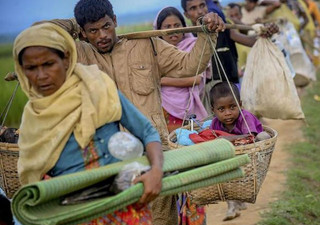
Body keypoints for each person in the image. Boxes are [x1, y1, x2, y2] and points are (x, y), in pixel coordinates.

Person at [40, 0, 225, 224]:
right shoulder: (77, 55)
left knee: (160, 219)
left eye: (106, 26)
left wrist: (207, 32)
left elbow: (188, 65)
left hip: (153, 155)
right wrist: (73, 24)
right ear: (83, 32)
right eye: (93, 30)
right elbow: (42, 33)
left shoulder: (146, 45)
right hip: (105, 164)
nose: (102, 36)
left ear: (115, 20)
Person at [13, 22, 163, 224]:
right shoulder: (33, 120)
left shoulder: (98, 86)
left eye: (48, 64)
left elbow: (147, 132)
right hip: (74, 214)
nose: (41, 76)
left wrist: (156, 172)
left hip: (125, 204)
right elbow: (33, 179)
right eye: (31, 68)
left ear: (66, 59)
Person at [181, 0, 279, 113]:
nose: (199, 11)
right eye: (193, 8)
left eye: (202, 5)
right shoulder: (187, 38)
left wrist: (266, 33)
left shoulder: (223, 27)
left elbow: (252, 42)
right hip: (206, 95)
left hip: (232, 89)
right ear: (186, 14)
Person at [209, 82, 267, 221]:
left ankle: (239, 201)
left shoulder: (245, 117)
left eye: (232, 107)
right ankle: (232, 206)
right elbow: (212, 139)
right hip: (232, 156)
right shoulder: (215, 123)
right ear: (213, 111)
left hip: (251, 151)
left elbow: (250, 138)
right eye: (221, 109)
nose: (228, 113)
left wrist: (225, 139)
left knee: (263, 136)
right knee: (227, 177)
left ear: (240, 104)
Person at [153, 7, 209, 133]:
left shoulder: (194, 46)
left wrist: (160, 80)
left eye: (177, 25)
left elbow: (195, 79)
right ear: (158, 30)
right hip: (162, 107)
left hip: (189, 106)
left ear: (184, 27)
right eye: (167, 26)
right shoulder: (154, 53)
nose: (173, 30)